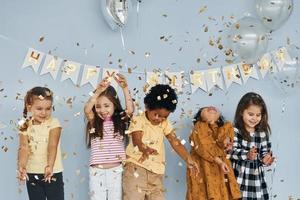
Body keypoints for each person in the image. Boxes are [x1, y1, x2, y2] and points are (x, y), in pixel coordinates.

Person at [123, 84, 198, 200]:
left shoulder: (164, 124)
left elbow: (175, 142)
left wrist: (189, 159)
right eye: (156, 114)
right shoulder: (138, 120)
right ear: (147, 107)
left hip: (156, 173)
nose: (159, 119)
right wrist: (144, 149)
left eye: (164, 117)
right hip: (136, 168)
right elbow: (136, 139)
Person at [84, 73, 134, 200]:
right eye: (98, 106)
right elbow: (87, 110)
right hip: (96, 172)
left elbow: (130, 110)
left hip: (116, 170)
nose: (102, 110)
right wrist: (98, 91)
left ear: (114, 105)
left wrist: (125, 88)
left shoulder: (120, 120)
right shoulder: (94, 121)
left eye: (107, 105)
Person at [17, 86, 64, 200]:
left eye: (48, 108)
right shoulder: (24, 124)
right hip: (32, 173)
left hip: (52, 172)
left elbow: (52, 145)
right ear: (29, 107)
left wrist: (50, 166)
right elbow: (24, 148)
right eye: (39, 109)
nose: (44, 112)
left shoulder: (54, 123)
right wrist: (22, 167)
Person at [186, 106, 241, 200]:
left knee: (222, 193)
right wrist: (219, 162)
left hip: (221, 170)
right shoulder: (199, 126)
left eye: (214, 109)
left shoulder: (222, 129)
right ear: (200, 116)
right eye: (206, 108)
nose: (211, 107)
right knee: (204, 194)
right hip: (204, 167)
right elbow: (203, 147)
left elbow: (225, 139)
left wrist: (227, 141)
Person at [230, 92, 275, 200]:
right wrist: (247, 154)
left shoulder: (262, 133)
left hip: (255, 179)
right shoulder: (234, 131)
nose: (254, 118)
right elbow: (231, 152)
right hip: (239, 177)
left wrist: (266, 159)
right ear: (241, 112)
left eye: (258, 115)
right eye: (250, 114)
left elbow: (264, 152)